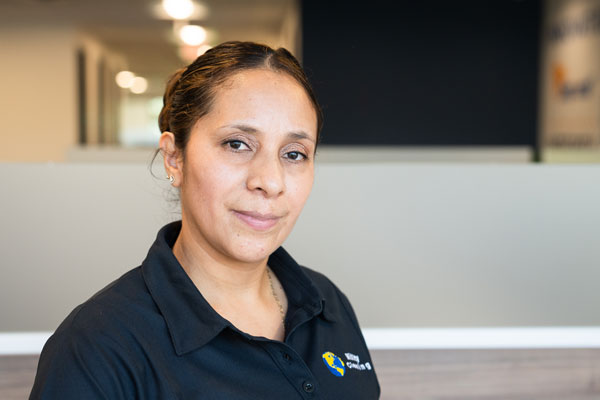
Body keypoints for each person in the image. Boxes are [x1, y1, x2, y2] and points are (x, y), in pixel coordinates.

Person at [30, 41, 381, 399]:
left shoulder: (326, 303)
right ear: (174, 158)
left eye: (294, 154)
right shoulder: (97, 349)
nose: (270, 181)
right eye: (237, 144)